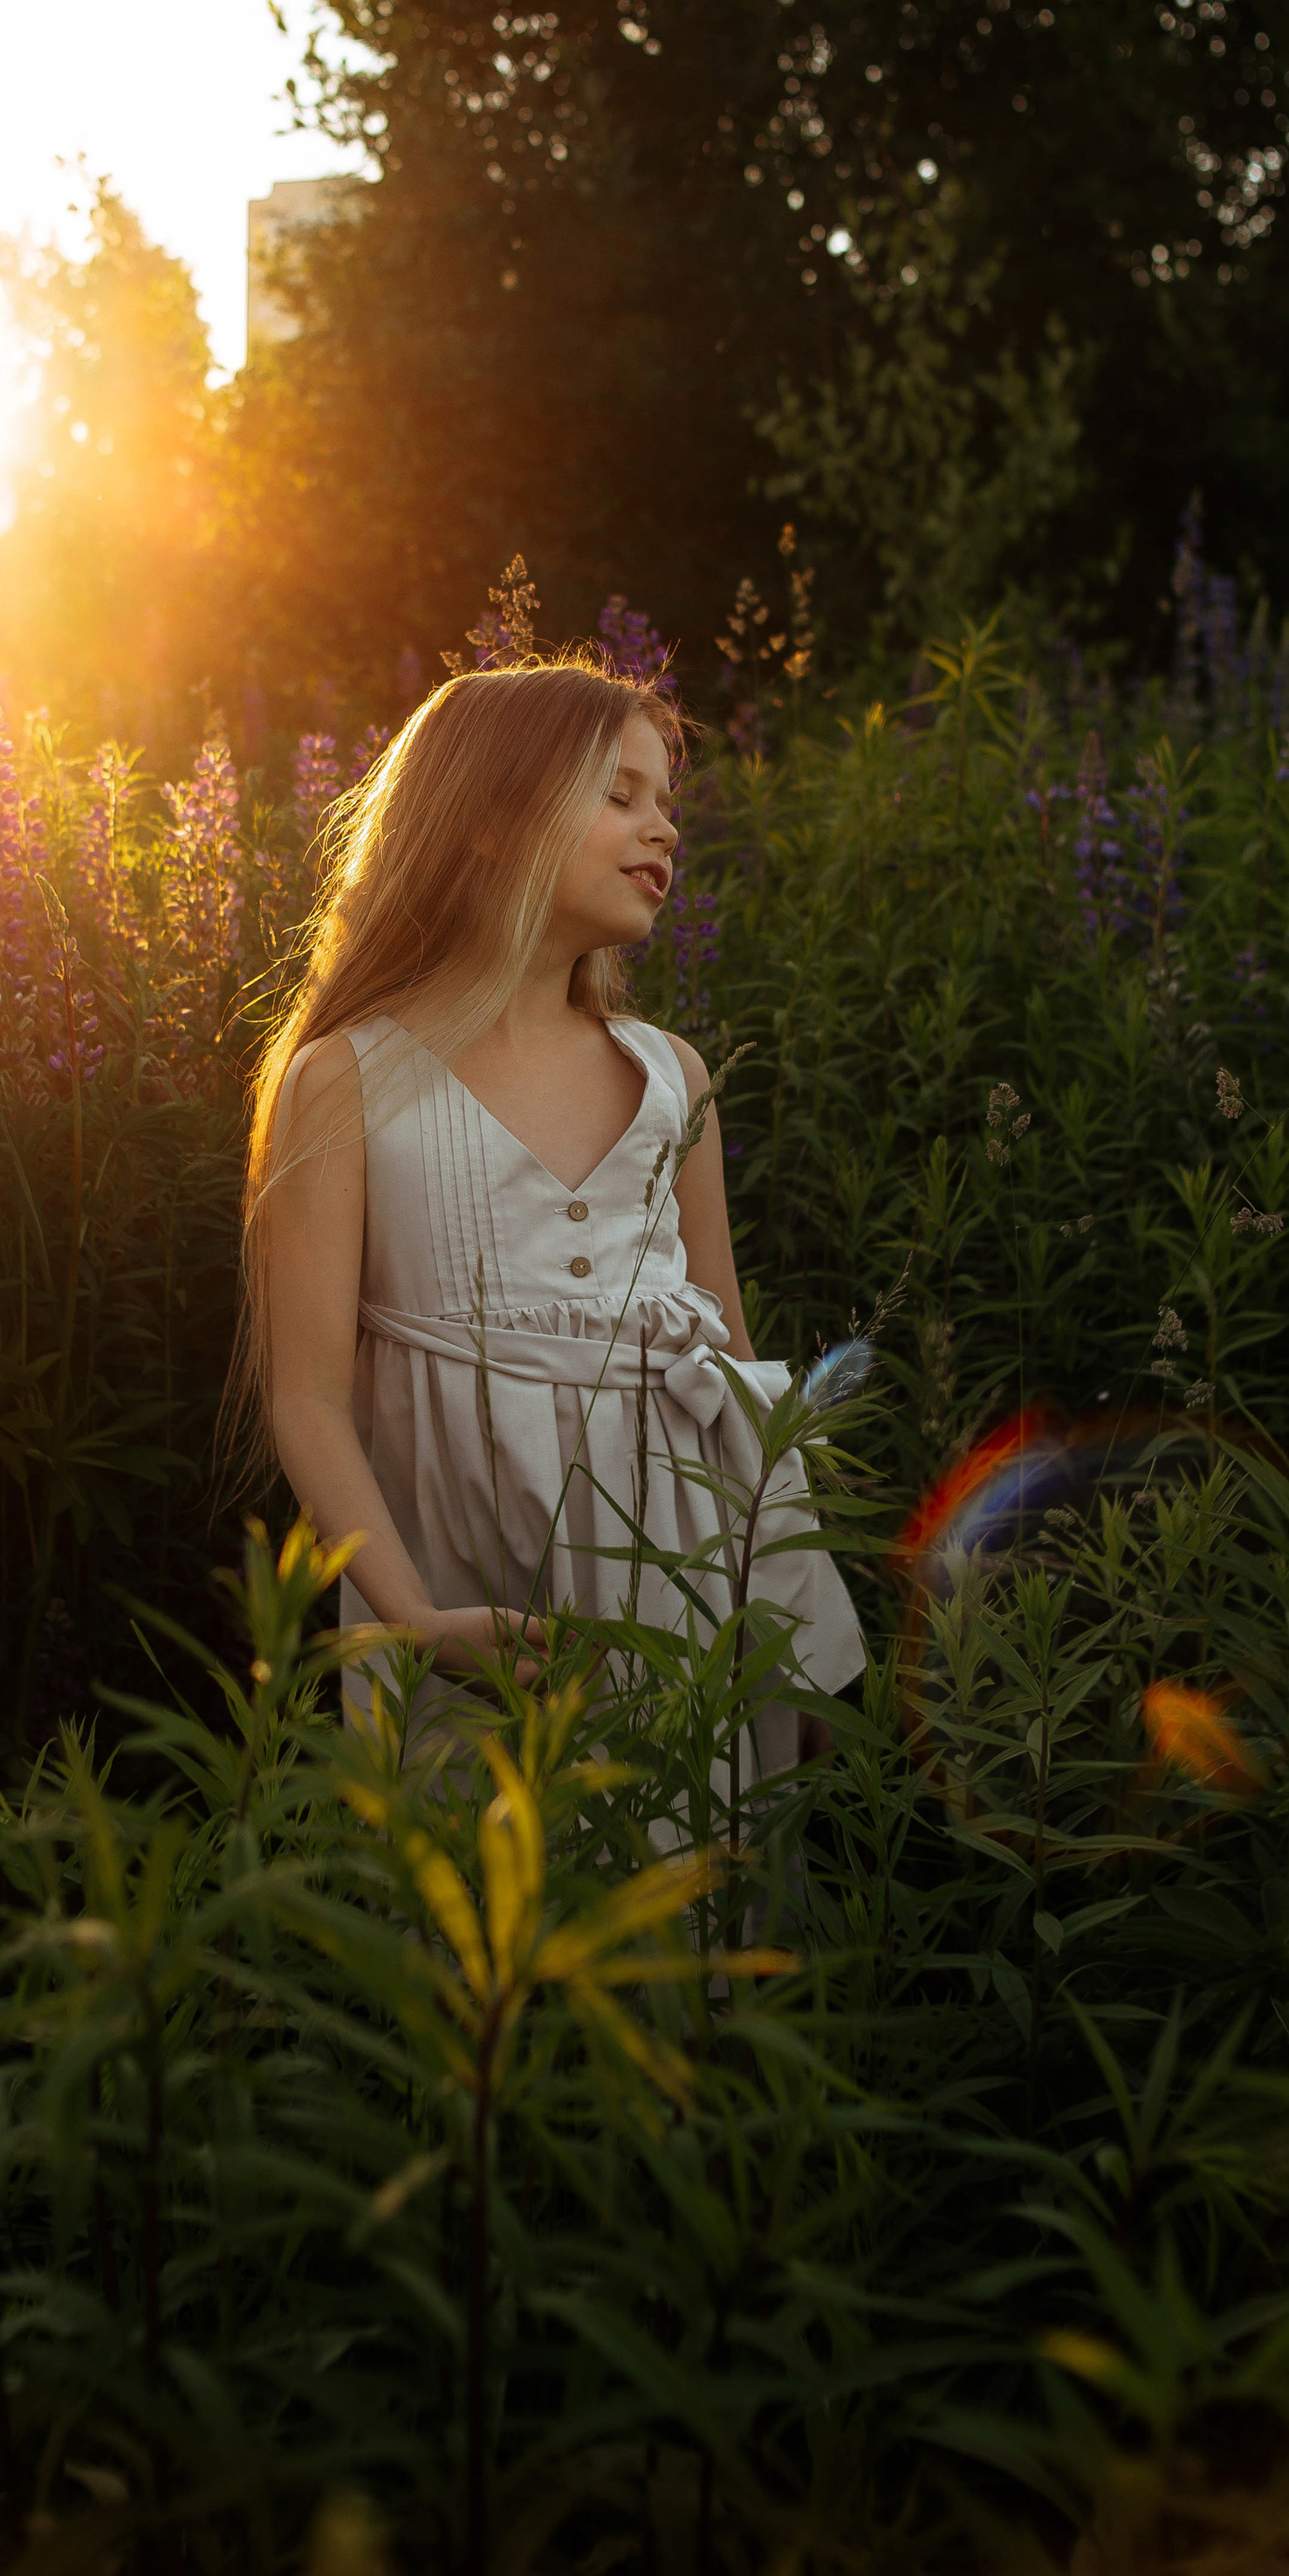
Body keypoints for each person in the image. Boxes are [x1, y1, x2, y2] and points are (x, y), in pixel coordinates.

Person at [240, 652, 865, 1764]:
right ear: (489, 820)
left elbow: (736, 1370)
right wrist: (412, 1618)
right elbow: (310, 1402)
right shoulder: (347, 1080)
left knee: (701, 1846)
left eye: (665, 801)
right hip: (462, 1597)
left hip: (692, 1585)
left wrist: (791, 1629)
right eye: (619, 795)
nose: (664, 827)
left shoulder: (674, 1076)